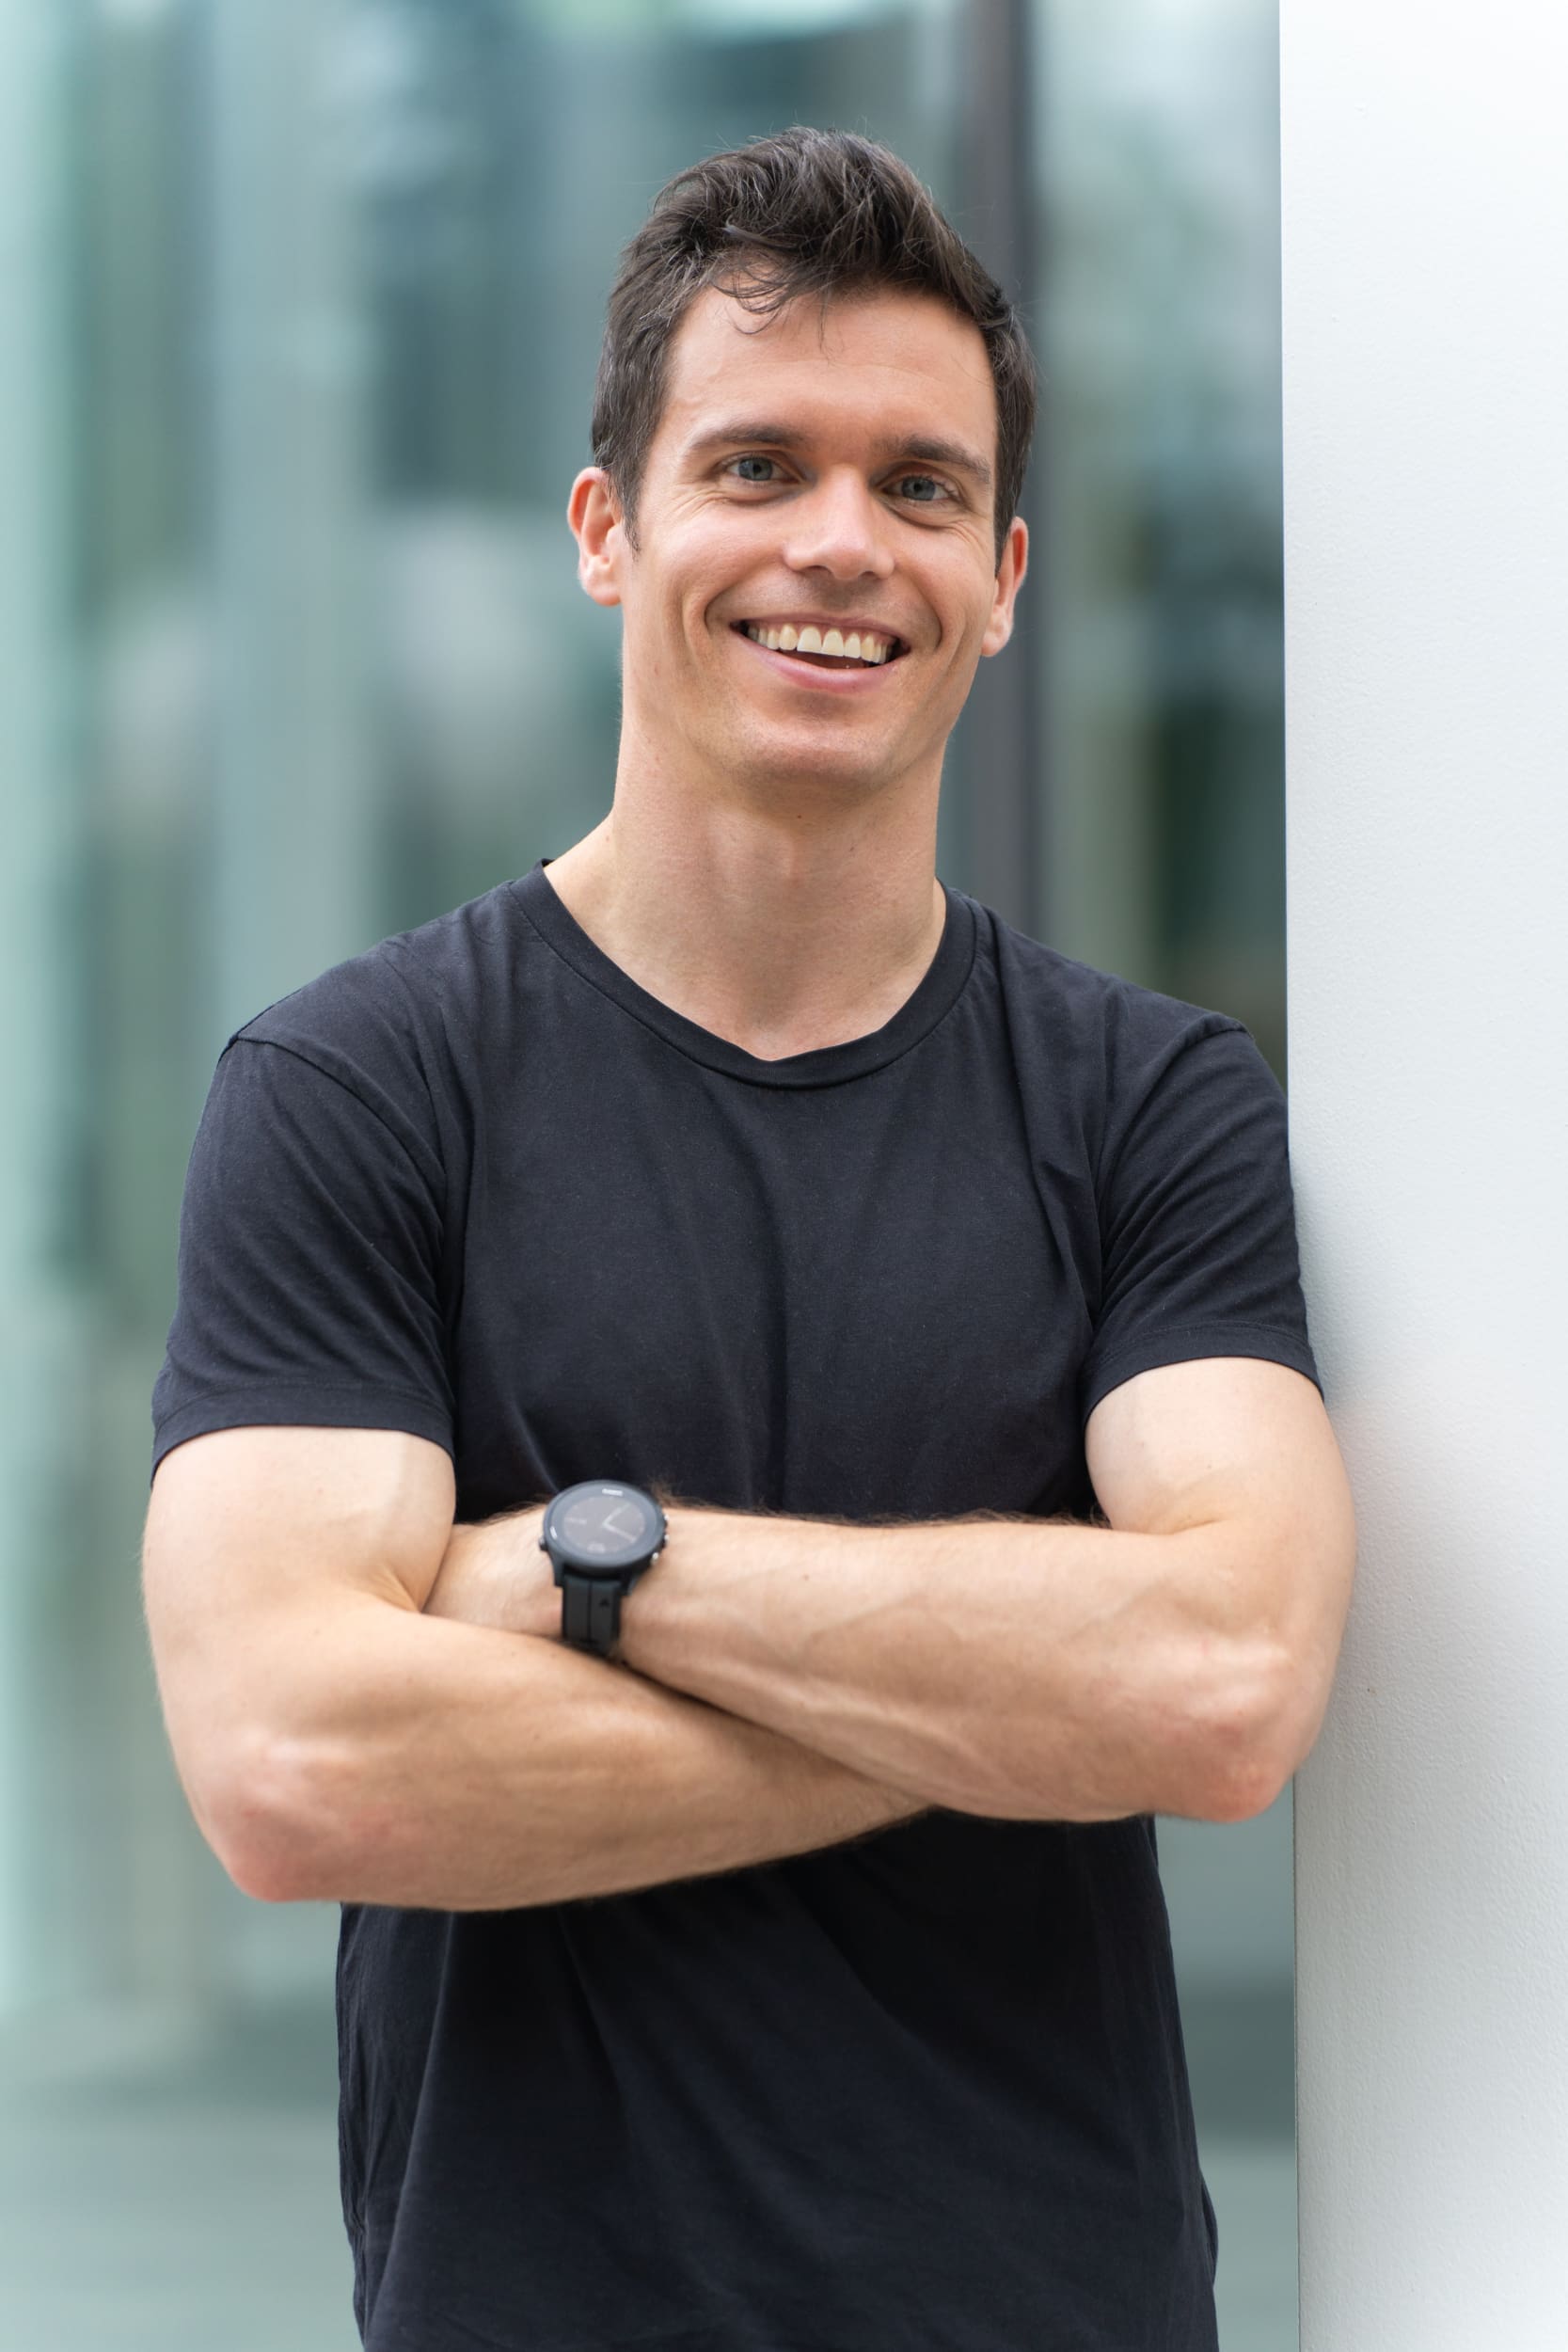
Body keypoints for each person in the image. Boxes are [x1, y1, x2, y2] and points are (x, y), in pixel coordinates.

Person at [144, 127, 1354, 2352]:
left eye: (917, 485)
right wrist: (1013, 1695)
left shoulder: (1149, 1107)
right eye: (758, 462)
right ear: (609, 530)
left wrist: (596, 1570)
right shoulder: (355, 1091)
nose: (839, 543)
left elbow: (1216, 1683)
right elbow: (299, 1757)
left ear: (1001, 573)